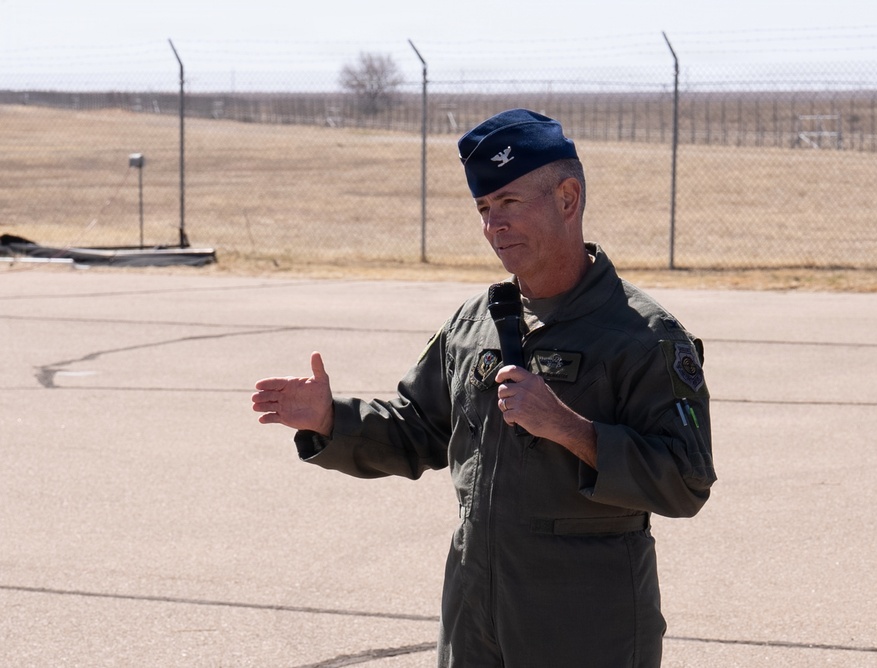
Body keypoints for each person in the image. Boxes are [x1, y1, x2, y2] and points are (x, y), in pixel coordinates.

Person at [252, 108, 715, 667]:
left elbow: (686, 481)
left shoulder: (643, 336)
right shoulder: (476, 323)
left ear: (568, 199)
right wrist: (332, 421)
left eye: (511, 204)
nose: (495, 225)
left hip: (586, 625)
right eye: (484, 208)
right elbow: (418, 429)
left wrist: (571, 429)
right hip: (476, 619)